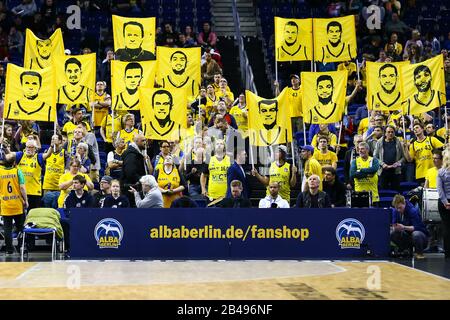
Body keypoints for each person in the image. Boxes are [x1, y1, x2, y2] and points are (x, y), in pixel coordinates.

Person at [0, 157, 27, 255]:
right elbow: (22, 188)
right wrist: (26, 200)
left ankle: (9, 249)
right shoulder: (17, 171)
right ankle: (21, 247)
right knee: (20, 227)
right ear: (14, 162)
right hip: (17, 204)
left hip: (5, 204)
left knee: (7, 228)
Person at [391, 195, 429, 259]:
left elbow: (418, 228)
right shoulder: (396, 211)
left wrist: (404, 227)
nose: (398, 210)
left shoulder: (413, 211)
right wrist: (395, 227)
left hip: (421, 237)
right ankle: (406, 250)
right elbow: (394, 224)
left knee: (416, 234)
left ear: (404, 203)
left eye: (400, 207)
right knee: (393, 233)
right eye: (396, 208)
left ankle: (419, 253)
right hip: (407, 236)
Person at [120, 134, 152, 206]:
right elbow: (130, 173)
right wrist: (144, 180)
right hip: (131, 190)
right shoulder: (131, 155)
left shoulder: (138, 154)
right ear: (136, 141)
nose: (145, 142)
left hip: (135, 189)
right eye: (143, 140)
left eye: (145, 140)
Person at [373, 125, 405, 191]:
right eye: (388, 132)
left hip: (396, 171)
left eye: (392, 132)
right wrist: (382, 164)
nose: (390, 133)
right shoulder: (379, 142)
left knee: (396, 191)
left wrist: (398, 163)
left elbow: (403, 157)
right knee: (384, 192)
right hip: (383, 171)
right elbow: (375, 157)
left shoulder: (398, 142)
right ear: (385, 133)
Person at [437, 150, 450, 259]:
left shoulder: (441, 172)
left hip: (444, 202)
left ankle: (447, 253)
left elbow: (440, 190)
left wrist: (446, 202)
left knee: (446, 227)